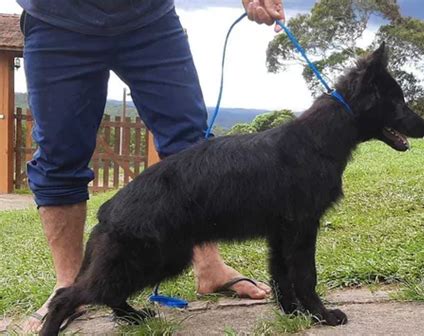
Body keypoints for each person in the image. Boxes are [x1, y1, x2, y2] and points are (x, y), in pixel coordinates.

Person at [18, 0, 285, 332]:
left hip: (148, 18)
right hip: (57, 19)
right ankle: (69, 287)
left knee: (190, 145)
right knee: (60, 154)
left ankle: (209, 267)